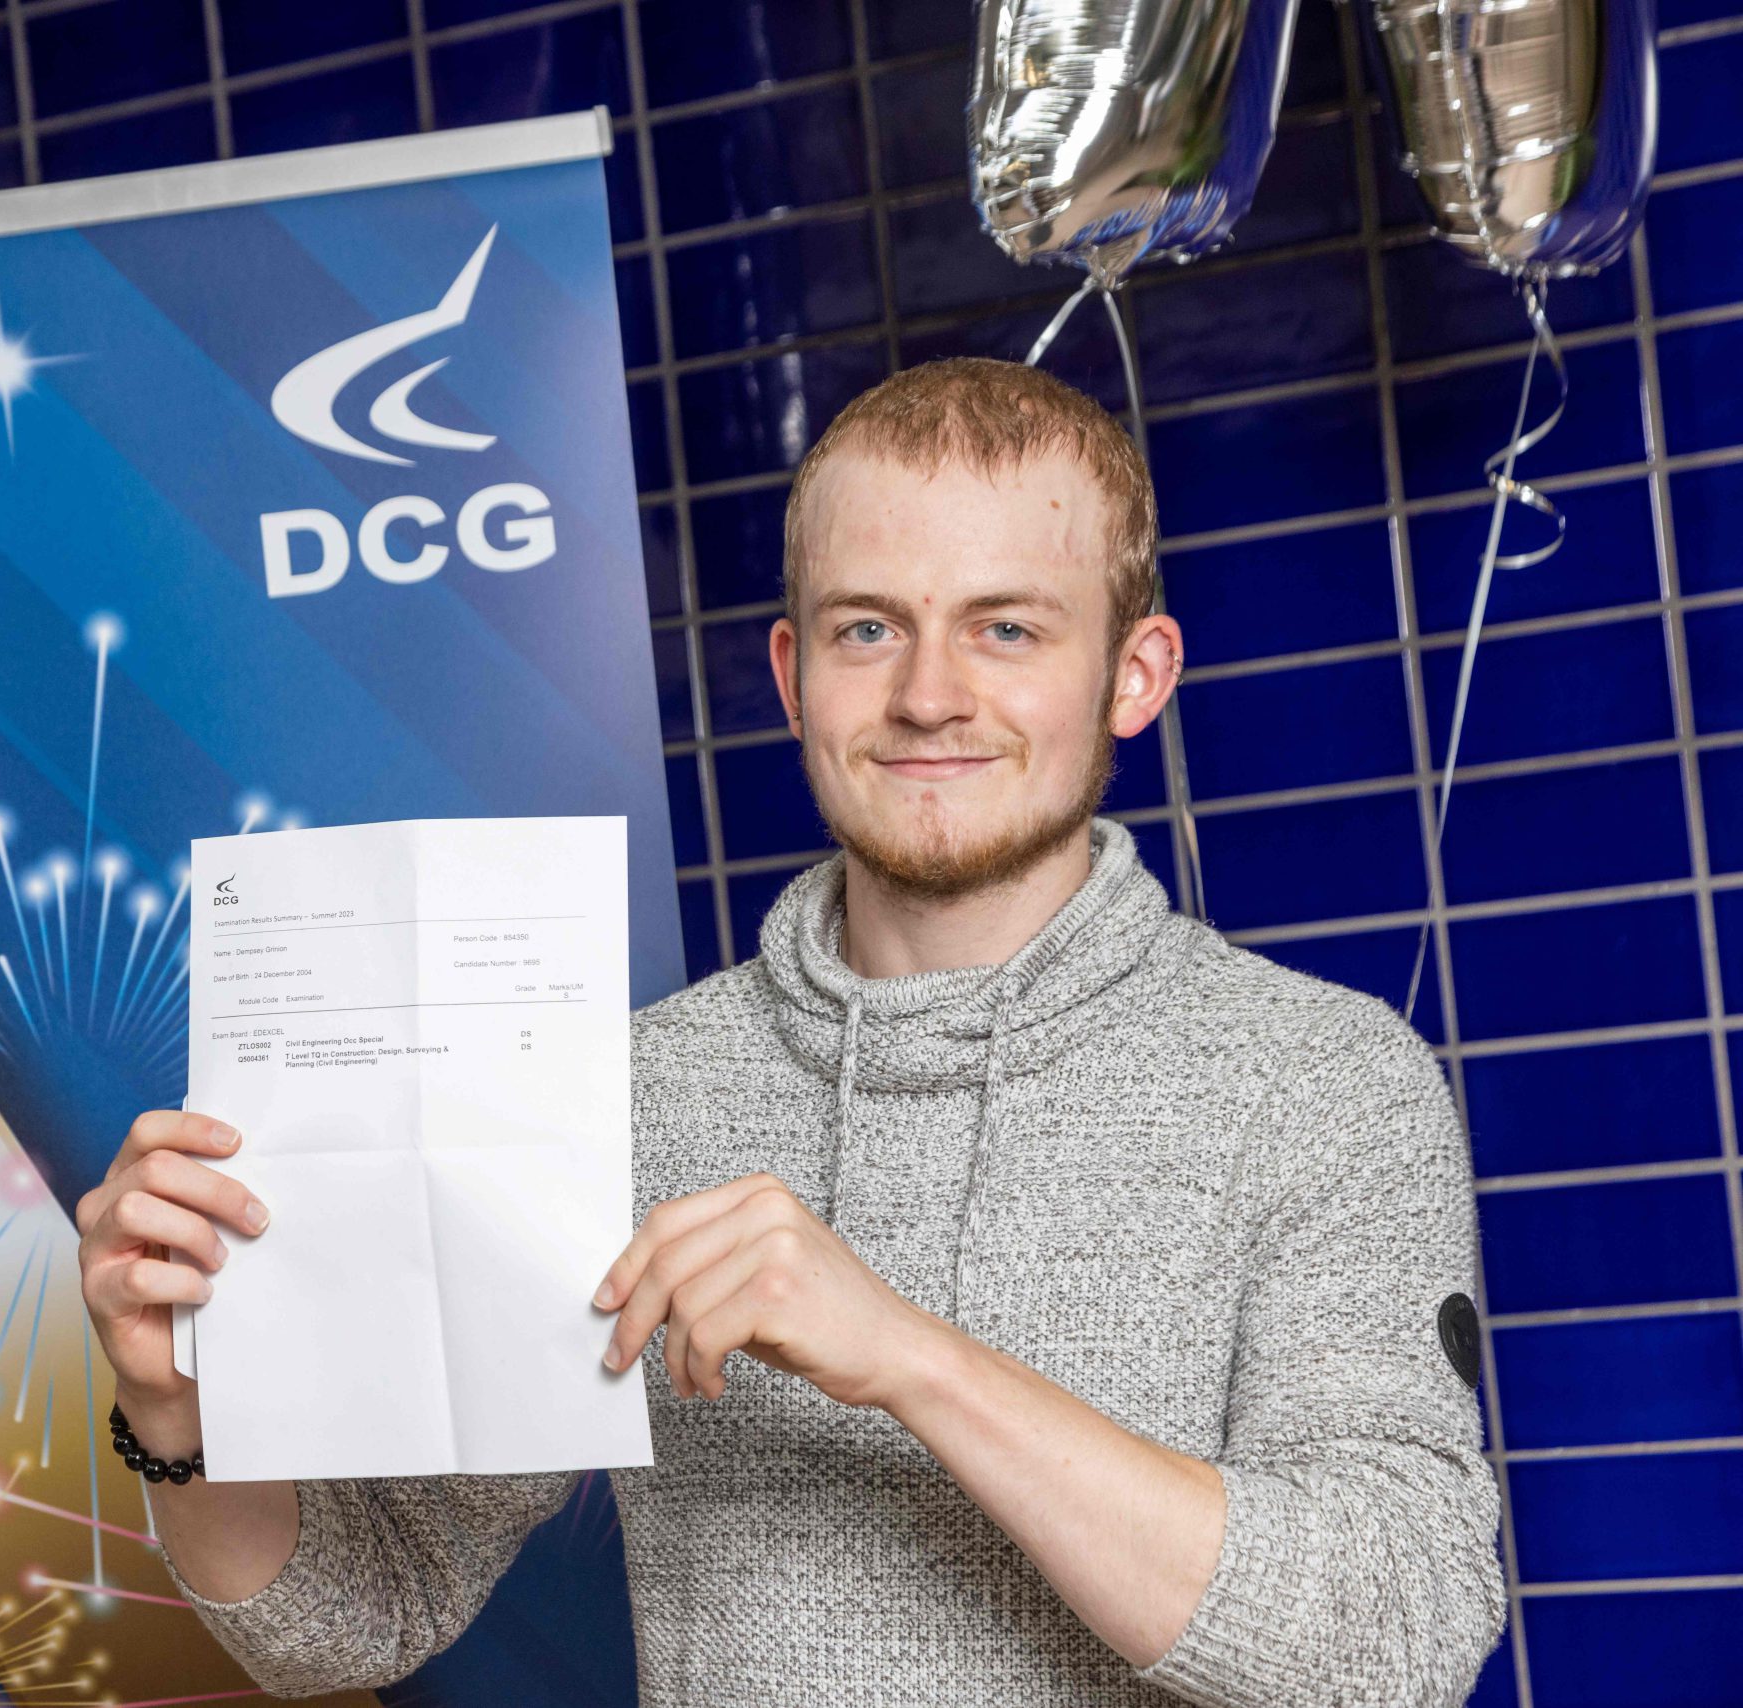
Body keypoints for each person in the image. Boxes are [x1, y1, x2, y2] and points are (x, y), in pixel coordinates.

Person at [75, 358, 1505, 1706]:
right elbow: (356, 1613)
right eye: (867, 628)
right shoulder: (627, 1094)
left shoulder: (1326, 1083)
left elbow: (1394, 1638)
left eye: (1006, 628)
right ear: (790, 674)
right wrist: (182, 1417)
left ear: (1135, 674)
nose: (929, 693)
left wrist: (909, 1358)